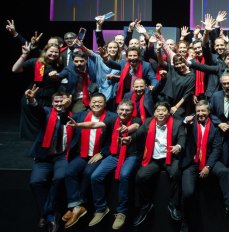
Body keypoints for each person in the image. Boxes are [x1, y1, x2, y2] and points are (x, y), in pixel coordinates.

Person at [181, 99, 229, 232]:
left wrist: (208, 166)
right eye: (198, 111)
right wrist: (185, 121)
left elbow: (217, 149)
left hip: (209, 160)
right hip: (192, 162)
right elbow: (183, 122)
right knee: (188, 193)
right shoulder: (190, 123)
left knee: (223, 172)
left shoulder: (215, 128)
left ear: (209, 112)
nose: (200, 114)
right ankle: (185, 220)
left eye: (203, 111)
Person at [61, 93, 117, 228]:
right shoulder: (80, 115)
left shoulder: (112, 117)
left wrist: (103, 153)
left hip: (98, 154)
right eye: (94, 102)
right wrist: (64, 109)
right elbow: (65, 121)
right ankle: (76, 204)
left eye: (99, 102)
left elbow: (114, 139)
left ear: (105, 104)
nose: (96, 104)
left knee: (88, 173)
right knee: (69, 172)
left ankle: (78, 207)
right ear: (89, 103)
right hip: (82, 154)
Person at [85, 99, 142, 230]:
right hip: (114, 155)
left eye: (127, 110)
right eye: (121, 109)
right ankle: (101, 209)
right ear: (117, 110)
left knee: (124, 175)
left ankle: (122, 212)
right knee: (95, 176)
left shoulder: (136, 120)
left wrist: (126, 128)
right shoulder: (112, 120)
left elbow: (136, 127)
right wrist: (78, 125)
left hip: (130, 156)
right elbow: (95, 125)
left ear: (132, 111)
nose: (124, 112)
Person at [25, 87, 74, 232]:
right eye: (56, 102)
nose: (59, 104)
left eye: (62, 101)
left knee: (60, 178)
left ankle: (46, 214)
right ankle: (51, 215)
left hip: (61, 156)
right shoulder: (46, 112)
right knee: (35, 182)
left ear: (68, 101)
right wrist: (31, 99)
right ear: (52, 103)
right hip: (44, 157)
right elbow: (36, 109)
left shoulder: (74, 116)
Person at [132, 101, 186, 226]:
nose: (161, 113)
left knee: (176, 173)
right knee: (140, 177)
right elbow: (138, 134)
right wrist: (129, 138)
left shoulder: (177, 123)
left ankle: (174, 204)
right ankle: (146, 205)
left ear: (168, 112)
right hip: (154, 159)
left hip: (170, 158)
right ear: (155, 112)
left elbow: (182, 137)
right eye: (158, 110)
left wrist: (178, 146)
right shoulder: (148, 122)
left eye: (164, 110)